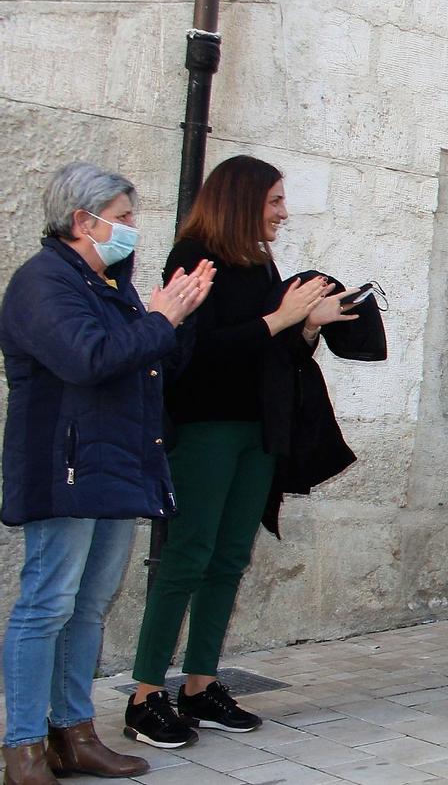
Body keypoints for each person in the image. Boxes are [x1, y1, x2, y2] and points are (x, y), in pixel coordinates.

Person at [126, 156, 356, 747]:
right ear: (242, 199)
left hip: (257, 431)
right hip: (205, 429)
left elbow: (271, 353)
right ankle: (145, 694)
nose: (283, 212)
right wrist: (281, 317)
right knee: (187, 557)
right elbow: (194, 352)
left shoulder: (257, 261)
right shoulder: (193, 256)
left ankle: (199, 686)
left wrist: (306, 326)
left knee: (229, 558)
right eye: (275, 200)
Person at [1, 164, 214, 782]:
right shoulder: (43, 283)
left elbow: (145, 369)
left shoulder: (107, 285)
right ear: (81, 221)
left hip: (115, 467)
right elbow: (89, 359)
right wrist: (161, 318)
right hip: (64, 470)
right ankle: (22, 748)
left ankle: (73, 734)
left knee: (89, 607)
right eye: (121, 218)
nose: (130, 230)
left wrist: (180, 315)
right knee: (46, 605)